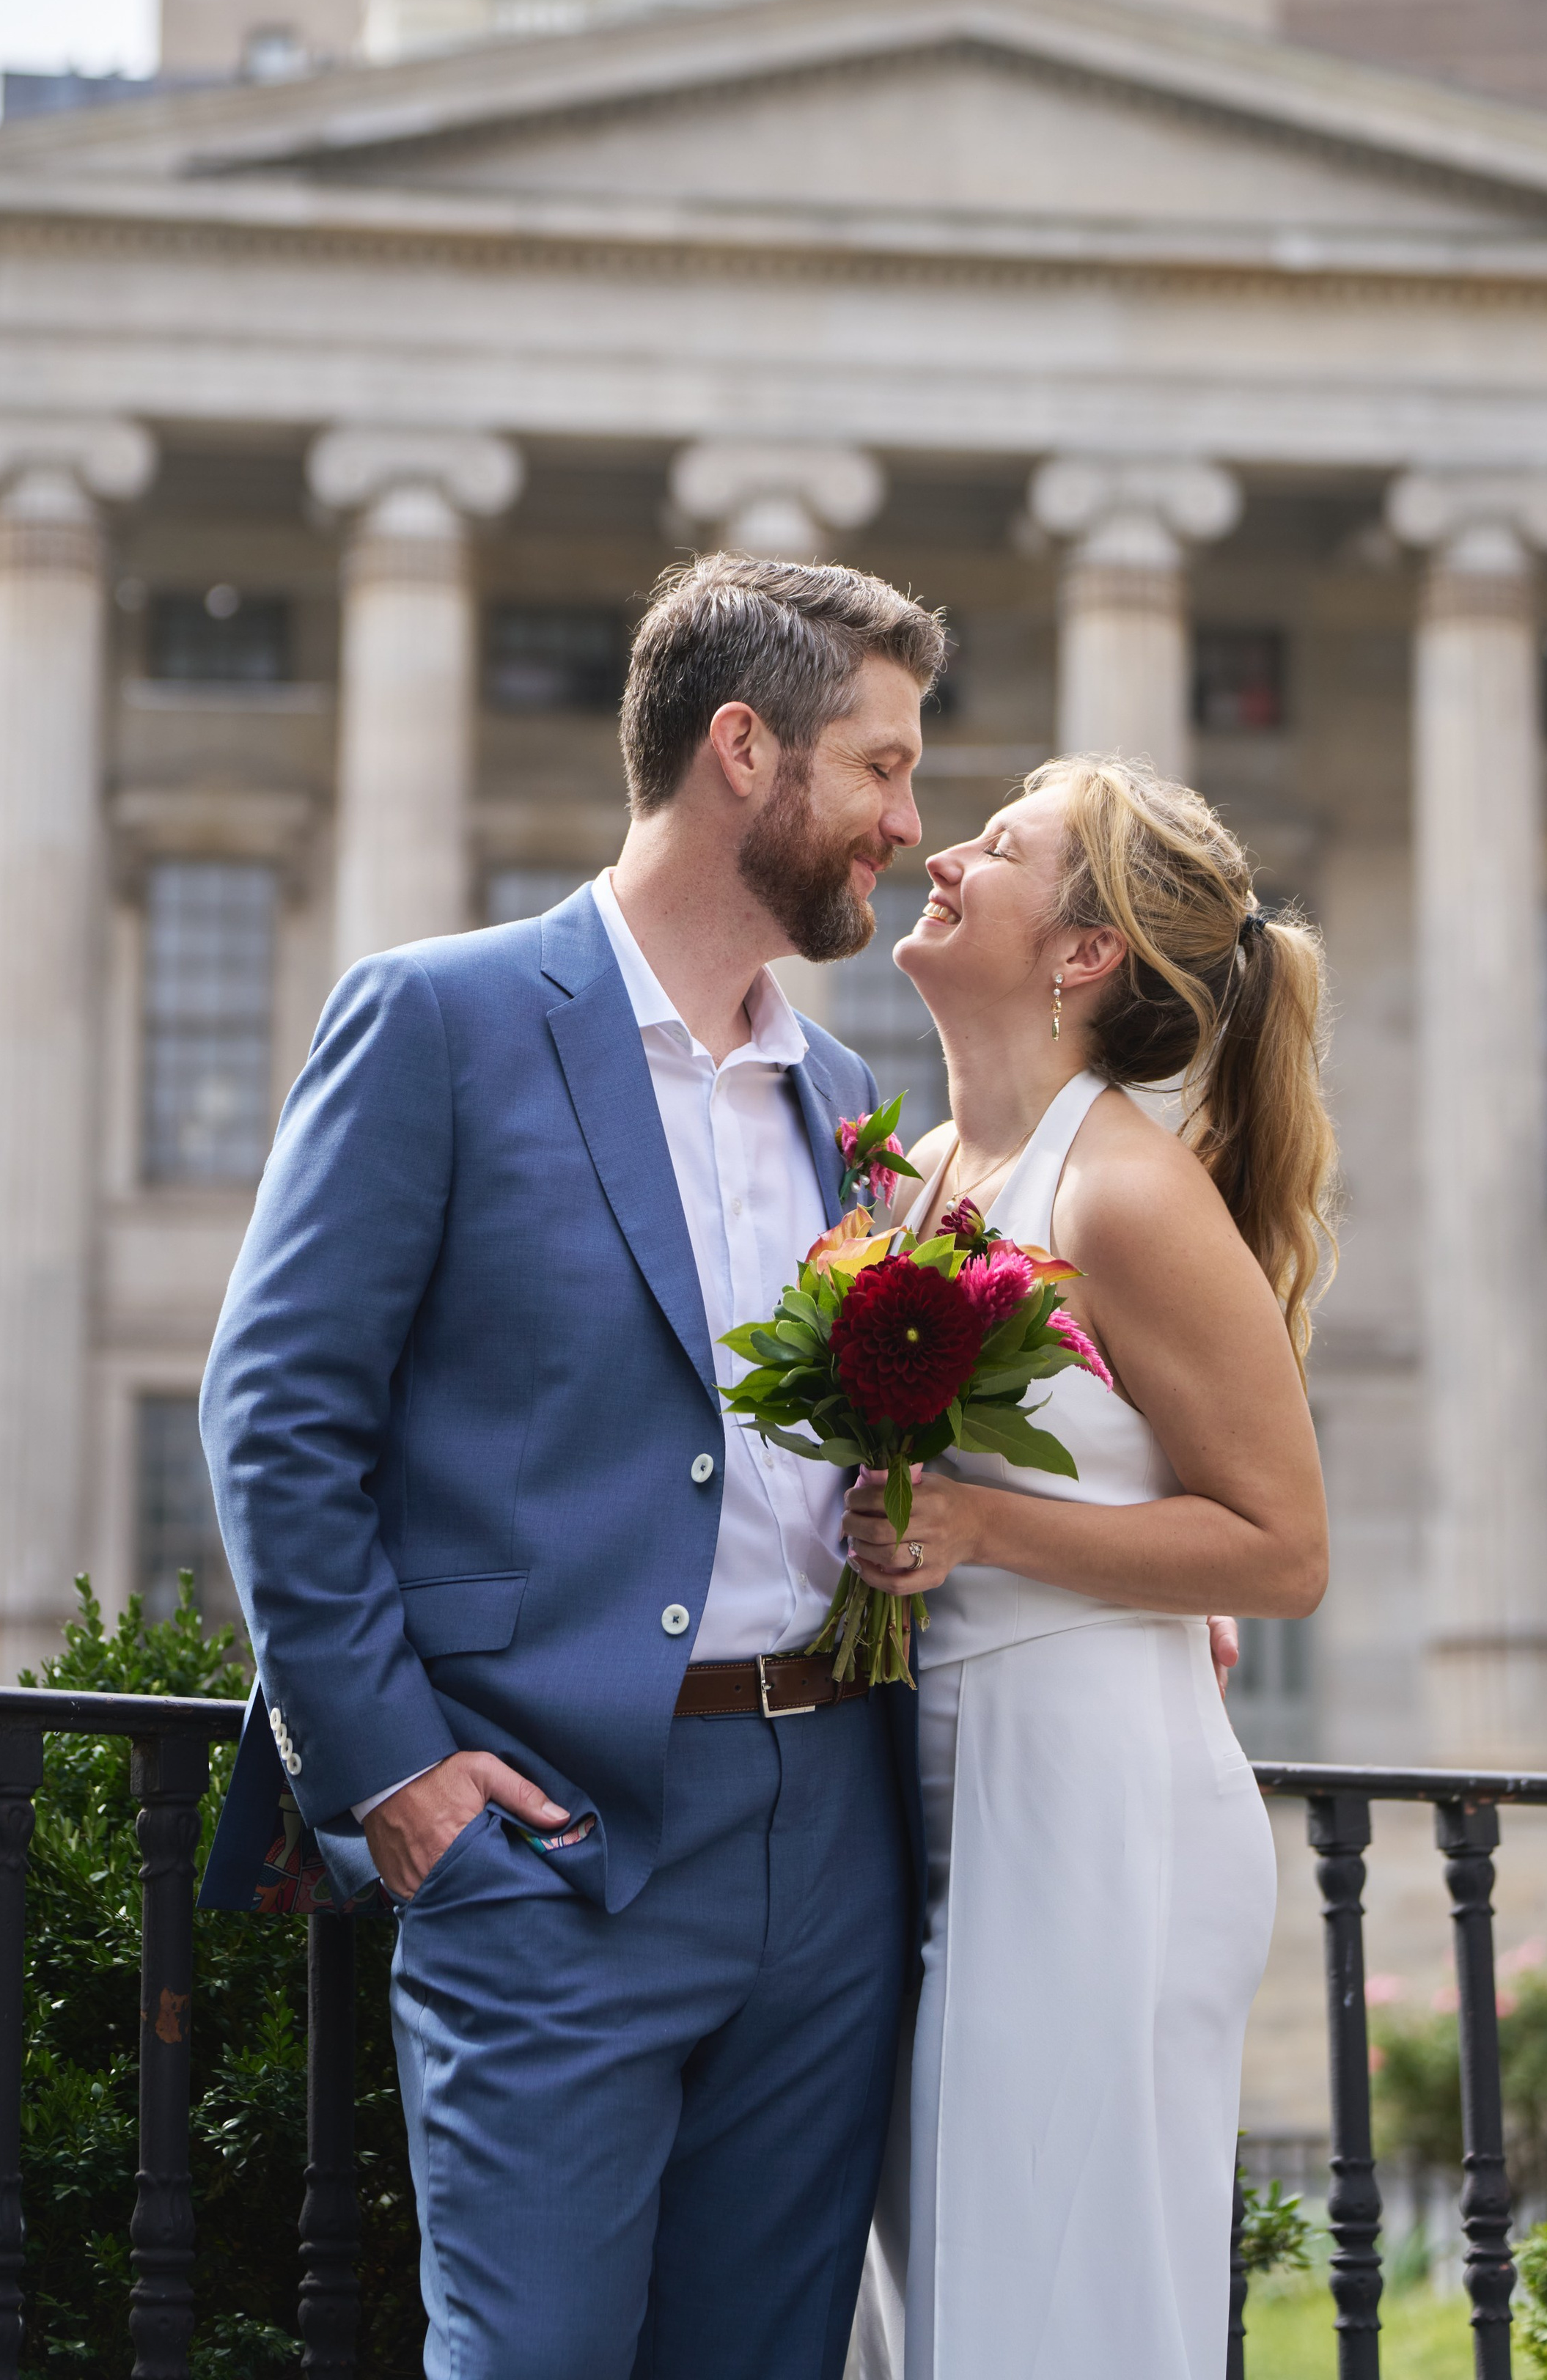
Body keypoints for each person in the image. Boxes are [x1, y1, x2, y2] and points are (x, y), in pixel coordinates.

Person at [197, 555, 949, 2380]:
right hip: (549, 1842)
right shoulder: (436, 1019)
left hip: (828, 1841)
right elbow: (276, 1413)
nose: (909, 827)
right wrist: (396, 1782)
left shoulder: (840, 1087)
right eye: (878, 766)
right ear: (741, 750)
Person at [845, 757, 1334, 2380]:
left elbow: (1280, 1546)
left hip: (1086, 1801)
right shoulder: (914, 1177)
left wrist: (985, 1532)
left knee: (1046, 2310)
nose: (939, 851)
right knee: (936, 2305)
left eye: (996, 845)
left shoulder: (1124, 1189)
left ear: (1080, 954)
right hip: (924, 1788)